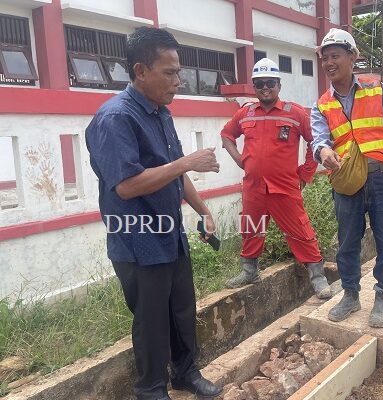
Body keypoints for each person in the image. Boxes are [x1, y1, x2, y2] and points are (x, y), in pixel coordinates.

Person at [85, 27, 222, 400]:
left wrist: (204, 210)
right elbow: (127, 186)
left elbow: (173, 171)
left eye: (179, 72)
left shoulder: (160, 112)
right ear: (141, 70)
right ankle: (151, 389)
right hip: (137, 239)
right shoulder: (115, 118)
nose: (178, 81)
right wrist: (186, 162)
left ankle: (185, 374)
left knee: (181, 309)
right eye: (169, 73)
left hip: (169, 233)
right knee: (151, 320)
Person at [311, 28, 383, 328]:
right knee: (347, 242)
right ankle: (350, 294)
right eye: (325, 58)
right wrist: (323, 151)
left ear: (353, 57)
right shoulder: (322, 105)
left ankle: (382, 296)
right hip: (346, 180)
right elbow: (318, 140)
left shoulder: (375, 88)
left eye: (335, 56)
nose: (329, 63)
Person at [220, 58, 332, 299]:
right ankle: (249, 271)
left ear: (279, 85)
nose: (265, 88)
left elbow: (315, 141)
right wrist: (240, 160)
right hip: (253, 187)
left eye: (270, 83)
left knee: (301, 230)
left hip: (285, 187)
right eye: (259, 84)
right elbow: (227, 135)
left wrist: (306, 172)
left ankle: (318, 277)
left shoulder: (295, 113)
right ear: (254, 87)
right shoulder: (245, 113)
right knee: (251, 228)